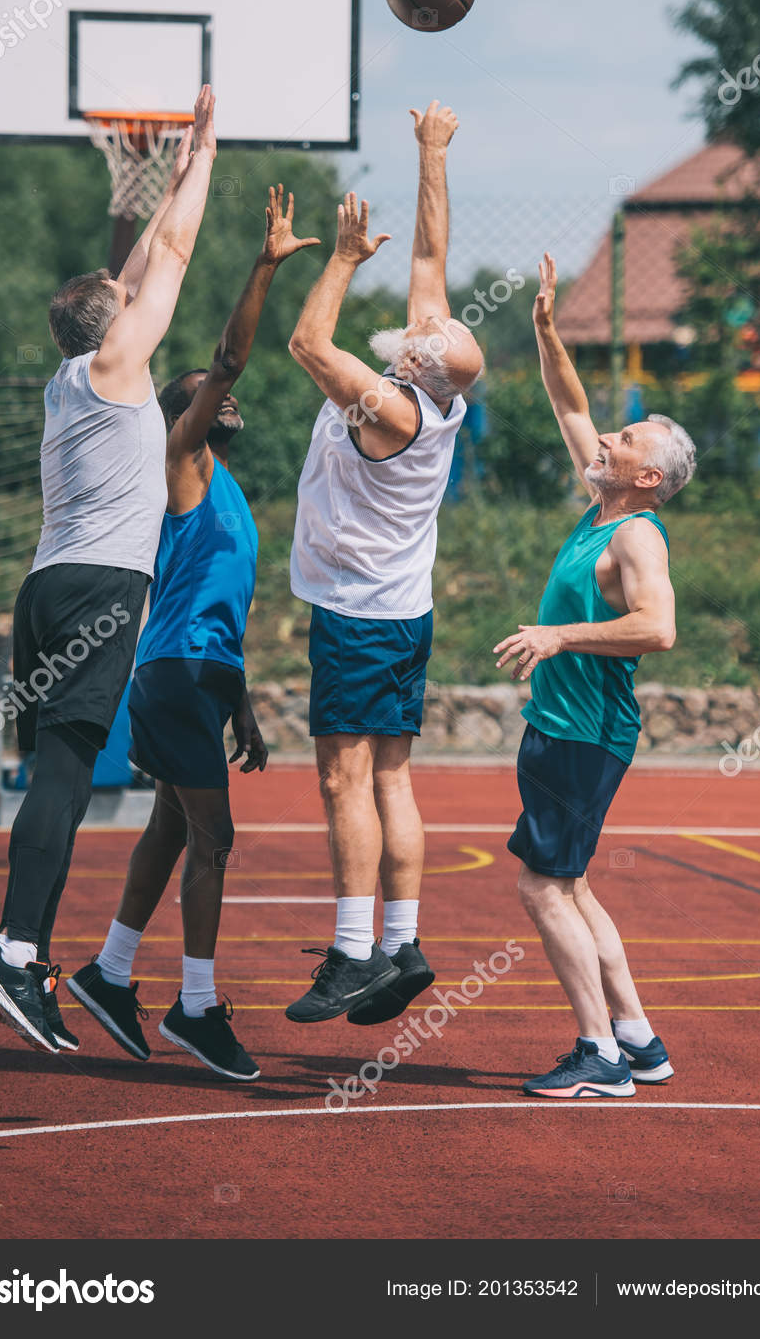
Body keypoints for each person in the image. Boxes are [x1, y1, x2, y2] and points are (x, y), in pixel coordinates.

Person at [0, 88, 218, 1054]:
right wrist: (206, 154)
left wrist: (169, 175)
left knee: (55, 773)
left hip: (48, 588)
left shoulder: (72, 376)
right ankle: (18, 949)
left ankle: (24, 949)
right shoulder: (115, 369)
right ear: (113, 326)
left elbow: (142, 261)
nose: (135, 295)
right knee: (65, 779)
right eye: (125, 302)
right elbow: (176, 257)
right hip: (103, 593)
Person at [68, 187, 319, 1079]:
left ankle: (109, 971)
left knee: (174, 831)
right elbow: (227, 359)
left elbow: (219, 605)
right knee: (215, 841)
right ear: (188, 413)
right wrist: (263, 266)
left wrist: (241, 706)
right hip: (172, 674)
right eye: (205, 398)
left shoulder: (234, 495)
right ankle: (199, 1006)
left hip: (201, 675)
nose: (220, 401)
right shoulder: (181, 458)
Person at [285, 101, 484, 1025]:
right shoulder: (432, 388)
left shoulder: (394, 406)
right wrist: (431, 154)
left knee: (343, 777)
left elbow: (306, 345)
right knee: (395, 775)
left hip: (361, 615)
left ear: (420, 364)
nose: (421, 321)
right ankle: (402, 943)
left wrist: (340, 258)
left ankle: (354, 954)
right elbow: (434, 261)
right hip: (403, 608)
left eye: (427, 332)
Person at [494, 253, 696, 1099]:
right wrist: (544, 330)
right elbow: (570, 405)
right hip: (566, 730)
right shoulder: (601, 500)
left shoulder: (636, 533)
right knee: (568, 883)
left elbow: (659, 628)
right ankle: (640, 1041)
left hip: (586, 734)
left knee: (542, 888)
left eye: (624, 442)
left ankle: (599, 1055)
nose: (605, 439)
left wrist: (559, 635)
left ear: (646, 476)